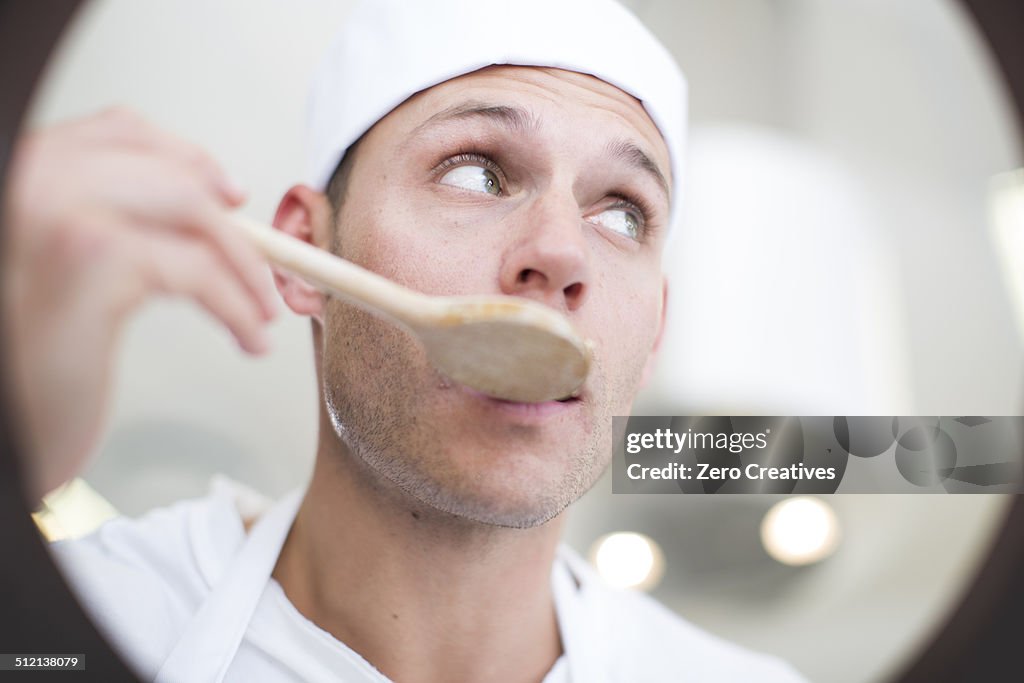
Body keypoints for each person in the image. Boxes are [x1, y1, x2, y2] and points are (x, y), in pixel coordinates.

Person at [3, 1, 808, 681]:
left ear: (655, 328)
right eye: (475, 171)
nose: (562, 253)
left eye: (623, 212)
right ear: (309, 257)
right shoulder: (75, 616)